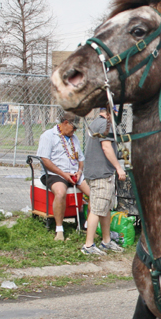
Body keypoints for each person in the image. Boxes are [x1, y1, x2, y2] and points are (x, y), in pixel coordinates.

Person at [36, 112, 90, 241]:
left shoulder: (73, 138)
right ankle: (59, 229)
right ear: (65, 123)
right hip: (55, 174)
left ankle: (87, 226)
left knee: (94, 195)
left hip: (74, 173)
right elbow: (45, 160)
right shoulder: (48, 135)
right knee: (60, 193)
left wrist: (79, 171)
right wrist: (63, 174)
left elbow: (80, 158)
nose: (75, 131)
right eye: (73, 127)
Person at [81, 108, 127, 255]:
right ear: (110, 111)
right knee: (96, 210)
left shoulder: (96, 122)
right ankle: (88, 246)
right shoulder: (105, 125)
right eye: (117, 112)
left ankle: (106, 241)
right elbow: (106, 147)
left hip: (97, 172)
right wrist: (118, 168)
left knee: (105, 208)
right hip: (101, 174)